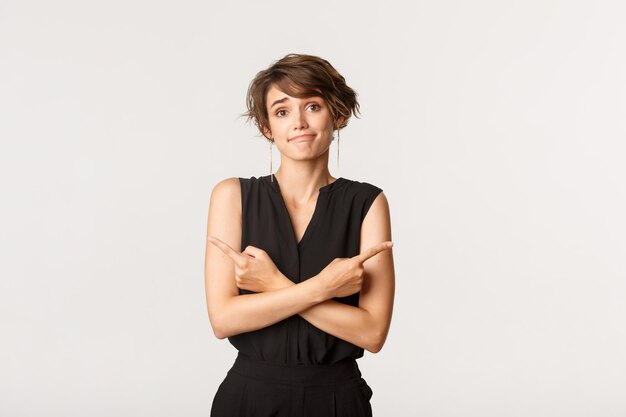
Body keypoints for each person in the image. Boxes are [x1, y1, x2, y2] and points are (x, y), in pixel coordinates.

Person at [204, 53, 395, 417]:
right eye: (282, 111)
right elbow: (223, 320)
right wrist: (324, 287)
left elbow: (372, 334)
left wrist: (272, 283)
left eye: (313, 106)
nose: (299, 122)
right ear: (266, 127)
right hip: (249, 398)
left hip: (337, 399)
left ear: (337, 115)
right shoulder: (232, 196)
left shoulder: (368, 202)